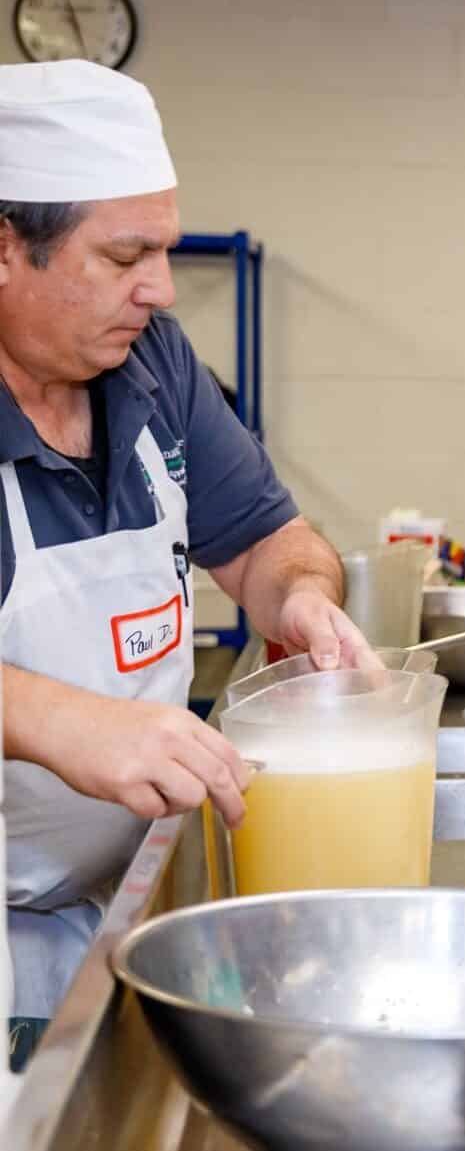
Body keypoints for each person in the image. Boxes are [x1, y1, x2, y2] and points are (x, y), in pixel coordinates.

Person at [0, 61, 375, 1066]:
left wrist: (301, 600)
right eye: (126, 255)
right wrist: (57, 718)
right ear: (3, 247)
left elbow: (266, 541)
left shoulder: (150, 362)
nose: (160, 288)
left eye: (162, 250)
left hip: (129, 897)